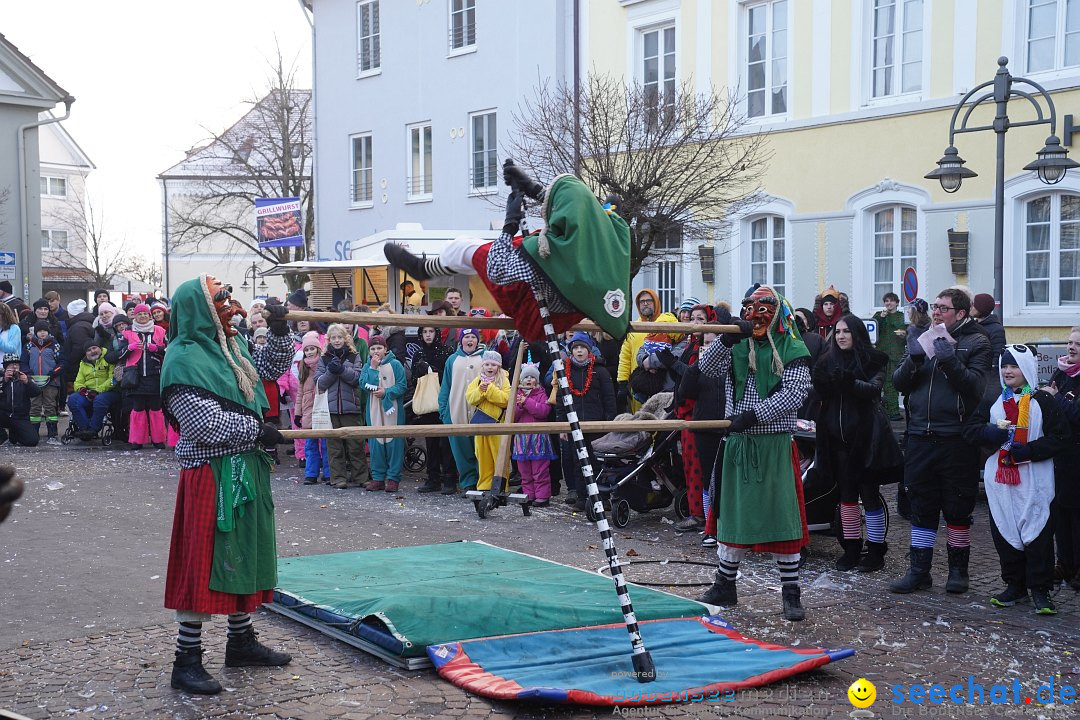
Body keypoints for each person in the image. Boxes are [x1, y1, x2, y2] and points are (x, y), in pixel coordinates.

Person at [160, 275, 295, 695]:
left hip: (247, 468)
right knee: (203, 563)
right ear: (200, 308)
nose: (232, 306)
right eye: (221, 299)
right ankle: (186, 661)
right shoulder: (181, 358)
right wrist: (257, 429)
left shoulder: (232, 345)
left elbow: (270, 369)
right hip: (212, 475)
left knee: (245, 555)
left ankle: (240, 642)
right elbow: (201, 424)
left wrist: (278, 331)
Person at [383, 165, 631, 345]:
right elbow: (578, 213)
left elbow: (498, 270)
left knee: (466, 248)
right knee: (511, 244)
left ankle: (425, 269)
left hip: (529, 305)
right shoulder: (604, 242)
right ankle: (433, 267)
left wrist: (509, 224)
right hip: (556, 301)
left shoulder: (552, 254)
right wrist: (532, 189)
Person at [696, 285, 811, 621]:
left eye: (763, 310)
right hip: (738, 445)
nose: (756, 317)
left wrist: (751, 417)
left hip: (773, 444)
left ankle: (791, 592)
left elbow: (794, 394)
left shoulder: (793, 346)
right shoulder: (737, 343)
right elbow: (707, 370)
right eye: (751, 310)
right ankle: (725, 585)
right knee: (733, 517)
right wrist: (726, 339)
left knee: (781, 520)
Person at [889, 288, 992, 595]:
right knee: (921, 505)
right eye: (935, 307)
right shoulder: (922, 336)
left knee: (958, 506)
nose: (936, 312)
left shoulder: (977, 342)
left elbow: (976, 388)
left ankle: (958, 571)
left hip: (956, 437)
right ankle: (919, 571)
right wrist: (914, 361)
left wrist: (949, 361)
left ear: (960, 314)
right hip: (920, 434)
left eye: (944, 308)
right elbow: (898, 382)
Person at [977, 344, 1069, 614]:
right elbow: (971, 429)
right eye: (1004, 365)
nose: (1008, 371)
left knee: (1038, 531)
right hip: (1001, 479)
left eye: (1014, 365)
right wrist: (989, 434)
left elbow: (1061, 438)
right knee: (1006, 529)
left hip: (1034, 477)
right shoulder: (994, 399)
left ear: (1026, 369)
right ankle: (1014, 585)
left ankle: (1040, 590)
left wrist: (1031, 450)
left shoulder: (1043, 401)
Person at [812, 315, 902, 572]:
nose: (840, 336)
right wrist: (822, 384)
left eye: (846, 331)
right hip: (835, 440)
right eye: (837, 331)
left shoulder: (874, 359)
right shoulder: (827, 360)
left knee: (870, 495)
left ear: (857, 334)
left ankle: (875, 549)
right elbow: (818, 392)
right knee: (846, 497)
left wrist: (849, 382)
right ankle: (850, 548)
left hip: (865, 439)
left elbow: (873, 390)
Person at [559, 332, 616, 510]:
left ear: (589, 350)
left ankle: (602, 497)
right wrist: (562, 426)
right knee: (578, 461)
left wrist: (610, 422)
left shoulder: (600, 371)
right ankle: (582, 497)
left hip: (597, 423)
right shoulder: (565, 372)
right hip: (575, 425)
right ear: (571, 351)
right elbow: (561, 402)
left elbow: (609, 398)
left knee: (598, 461)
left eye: (582, 347)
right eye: (575, 348)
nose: (579, 351)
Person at [1044, 326, 1080, 593]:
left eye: (1077, 344)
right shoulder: (1061, 372)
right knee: (1060, 512)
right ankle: (1064, 562)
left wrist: (1055, 400)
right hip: (1060, 455)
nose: (1071, 348)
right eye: (1069, 342)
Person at [314, 323, 370, 490]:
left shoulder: (354, 356)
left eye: (340, 337)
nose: (337, 341)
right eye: (333, 338)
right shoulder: (324, 359)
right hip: (330, 409)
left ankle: (361, 476)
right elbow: (319, 383)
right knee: (334, 446)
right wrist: (331, 371)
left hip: (350, 406)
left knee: (355, 445)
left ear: (346, 338)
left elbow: (357, 379)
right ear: (328, 340)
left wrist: (341, 369)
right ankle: (338, 478)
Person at [407, 325, 456, 494]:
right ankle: (433, 477)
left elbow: (450, 377)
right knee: (431, 441)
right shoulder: (418, 354)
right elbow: (413, 381)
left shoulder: (446, 351)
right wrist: (420, 372)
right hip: (428, 403)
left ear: (436, 333)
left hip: (444, 401)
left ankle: (449, 477)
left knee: (447, 442)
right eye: (424, 332)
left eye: (431, 331)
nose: (428, 335)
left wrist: (434, 371)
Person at [359, 336, 407, 492]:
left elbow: (402, 385)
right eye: (372, 349)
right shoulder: (368, 366)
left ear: (385, 349)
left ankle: (393, 478)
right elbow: (365, 385)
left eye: (379, 348)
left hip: (393, 410)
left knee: (394, 443)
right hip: (374, 410)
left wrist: (387, 392)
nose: (376, 351)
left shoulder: (395, 364)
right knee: (376, 443)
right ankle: (378, 478)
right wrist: (373, 368)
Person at [439, 328, 485, 492]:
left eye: (473, 337)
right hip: (456, 411)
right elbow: (446, 386)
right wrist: (444, 411)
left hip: (481, 411)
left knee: (481, 448)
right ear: (461, 340)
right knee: (461, 450)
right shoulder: (452, 360)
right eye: (467, 337)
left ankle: (483, 481)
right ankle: (468, 482)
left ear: (478, 340)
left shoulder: (485, 357)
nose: (470, 340)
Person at [465, 349, 511, 494]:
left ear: (499, 366)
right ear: (482, 366)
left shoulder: (504, 380)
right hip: (481, 424)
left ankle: (501, 485)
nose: (490, 367)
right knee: (482, 455)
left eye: (493, 364)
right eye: (487, 364)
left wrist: (489, 390)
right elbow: (470, 398)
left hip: (498, 425)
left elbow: (506, 400)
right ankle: (484, 485)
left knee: (499, 455)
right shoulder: (477, 381)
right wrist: (480, 391)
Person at [123, 304, 168, 449]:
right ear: (134, 316)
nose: (142, 316)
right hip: (135, 377)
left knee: (156, 409)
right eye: (139, 314)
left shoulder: (160, 330)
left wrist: (158, 349)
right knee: (138, 408)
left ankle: (158, 439)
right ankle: (137, 440)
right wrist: (128, 349)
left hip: (155, 375)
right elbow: (115, 354)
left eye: (145, 314)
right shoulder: (127, 332)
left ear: (150, 316)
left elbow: (169, 350)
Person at [511, 364, 556, 506]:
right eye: (526, 377)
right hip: (522, 440)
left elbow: (543, 411)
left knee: (540, 470)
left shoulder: (541, 394)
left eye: (532, 377)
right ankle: (528, 495)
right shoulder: (516, 395)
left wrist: (527, 402)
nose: (529, 380)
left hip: (538, 440)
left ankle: (542, 496)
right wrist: (519, 405)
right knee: (524, 471)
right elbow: (512, 416)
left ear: (537, 380)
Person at [296, 331, 330, 485]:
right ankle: (311, 473)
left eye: (312, 348)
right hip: (308, 410)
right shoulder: (303, 368)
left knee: (326, 444)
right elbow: (300, 393)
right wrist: (298, 414)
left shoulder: (324, 364)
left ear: (318, 349)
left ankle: (329, 473)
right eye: (306, 349)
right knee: (310, 445)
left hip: (322, 409)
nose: (309, 352)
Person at [24, 319, 64, 443]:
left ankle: (52, 433)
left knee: (50, 407)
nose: (42, 333)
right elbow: (23, 362)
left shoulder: (55, 345)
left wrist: (53, 373)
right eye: (40, 331)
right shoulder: (29, 346)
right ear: (35, 332)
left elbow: (62, 363)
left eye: (45, 331)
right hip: (33, 382)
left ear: (48, 332)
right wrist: (29, 374)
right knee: (34, 407)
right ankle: (33, 432)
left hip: (50, 382)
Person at [872, 292, 907, 420]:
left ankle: (893, 411)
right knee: (879, 383)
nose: (888, 303)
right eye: (886, 301)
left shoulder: (902, 317)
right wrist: (880, 318)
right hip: (881, 354)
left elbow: (908, 333)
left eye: (891, 301)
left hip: (896, 354)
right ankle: (881, 410)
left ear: (897, 303)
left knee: (892, 383)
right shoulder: (879, 315)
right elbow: (872, 331)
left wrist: (904, 334)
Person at [0, 353, 41, 446]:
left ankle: (14, 433)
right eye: (11, 365)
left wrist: (27, 382)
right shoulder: (2, 378)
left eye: (16, 364)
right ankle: (2, 435)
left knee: (32, 441)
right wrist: (5, 381)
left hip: (20, 417)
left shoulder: (26, 378)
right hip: (4, 414)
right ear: (5, 367)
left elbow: (37, 392)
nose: (14, 367)